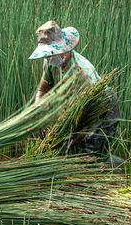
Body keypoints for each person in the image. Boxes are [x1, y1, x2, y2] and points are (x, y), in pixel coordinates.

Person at [29, 20, 120, 155]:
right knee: (68, 146)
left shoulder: (81, 72)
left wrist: (80, 134)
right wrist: (39, 115)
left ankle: (110, 170)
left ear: (64, 50)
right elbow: (43, 90)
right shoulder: (51, 61)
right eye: (47, 54)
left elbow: (87, 110)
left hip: (102, 106)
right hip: (78, 105)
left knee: (90, 151)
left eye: (51, 53)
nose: (48, 58)